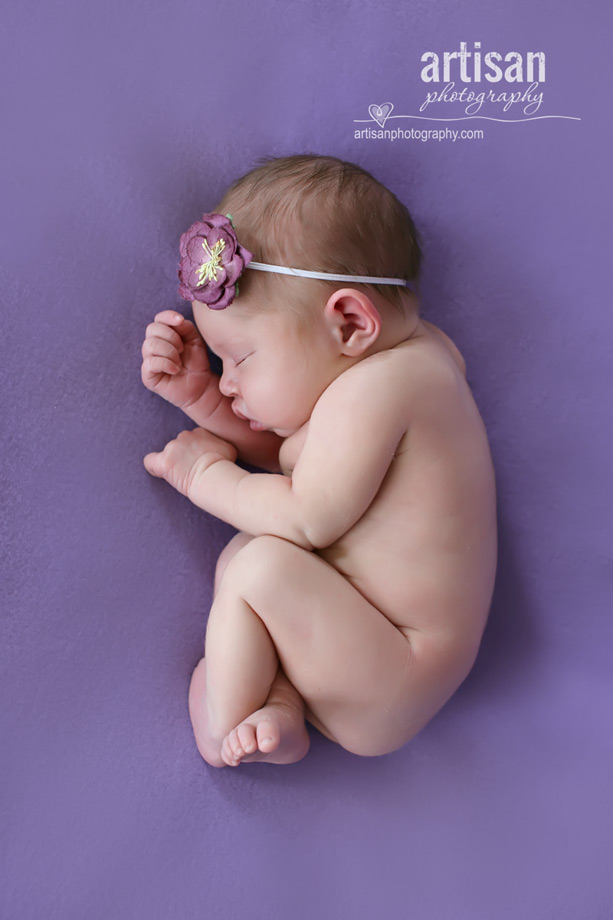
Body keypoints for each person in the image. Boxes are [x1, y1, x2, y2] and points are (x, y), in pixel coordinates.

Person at [140, 153, 498, 768]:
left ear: (351, 321)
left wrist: (205, 476)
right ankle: (277, 701)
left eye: (240, 360)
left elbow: (307, 514)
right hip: (360, 644)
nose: (230, 382)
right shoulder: (395, 366)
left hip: (396, 669)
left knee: (259, 567)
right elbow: (299, 467)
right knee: (254, 550)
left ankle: (221, 725)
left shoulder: (387, 386)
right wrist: (203, 399)